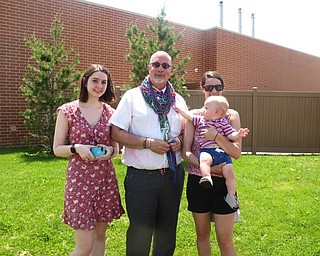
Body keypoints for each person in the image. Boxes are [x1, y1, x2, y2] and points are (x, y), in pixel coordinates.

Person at [110, 50, 188, 256]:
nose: (160, 69)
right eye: (156, 64)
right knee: (140, 232)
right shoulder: (132, 96)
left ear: (171, 71)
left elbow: (185, 131)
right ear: (149, 68)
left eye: (165, 66)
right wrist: (146, 143)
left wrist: (179, 141)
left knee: (167, 230)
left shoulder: (178, 100)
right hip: (141, 177)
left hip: (173, 175)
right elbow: (115, 131)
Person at [53, 64, 125, 256]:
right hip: (79, 181)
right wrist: (77, 148)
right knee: (85, 247)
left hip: (105, 180)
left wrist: (109, 150)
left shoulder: (110, 112)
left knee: (100, 237)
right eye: (95, 81)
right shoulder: (68, 110)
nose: (99, 86)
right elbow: (57, 149)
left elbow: (116, 150)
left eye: (103, 82)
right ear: (85, 81)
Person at [182, 71, 243, 256]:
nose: (213, 91)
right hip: (199, 181)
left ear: (223, 90)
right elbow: (186, 151)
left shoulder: (231, 115)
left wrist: (216, 137)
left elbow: (236, 152)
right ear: (202, 89)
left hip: (224, 184)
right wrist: (205, 168)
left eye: (218, 87)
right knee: (202, 234)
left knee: (225, 239)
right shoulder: (194, 116)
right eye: (209, 87)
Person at [176, 95, 249, 209]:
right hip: (207, 151)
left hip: (221, 154)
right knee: (204, 160)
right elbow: (189, 116)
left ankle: (231, 196)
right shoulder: (201, 119)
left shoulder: (224, 123)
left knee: (229, 173)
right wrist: (180, 110)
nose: (203, 110)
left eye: (206, 108)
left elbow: (232, 135)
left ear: (215, 112)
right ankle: (207, 177)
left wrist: (238, 134)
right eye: (209, 87)